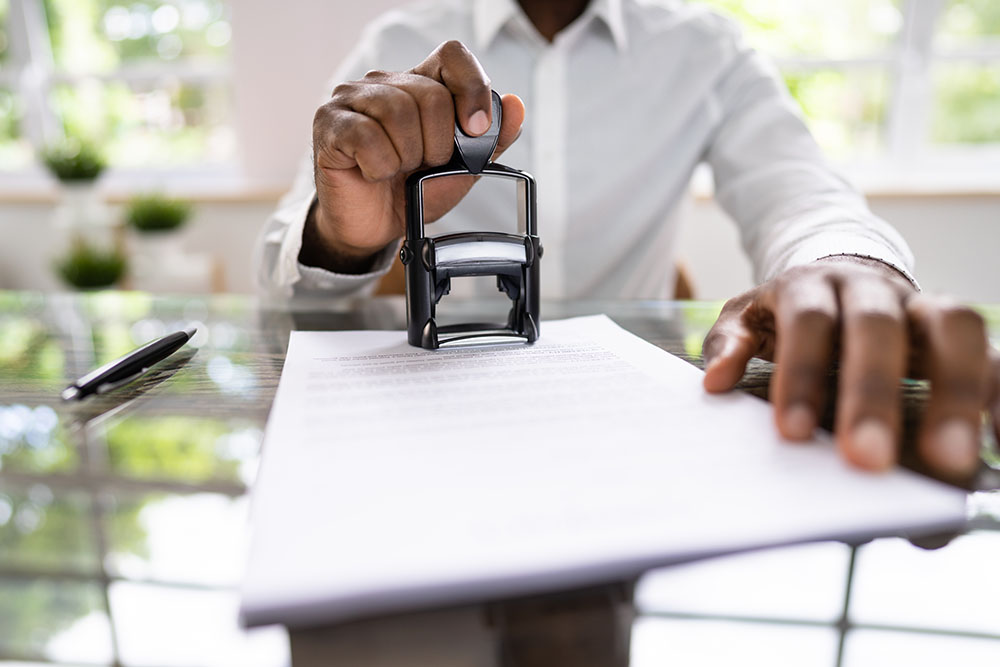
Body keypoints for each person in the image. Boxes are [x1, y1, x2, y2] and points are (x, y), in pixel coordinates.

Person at [257, 0, 999, 481]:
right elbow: (285, 273)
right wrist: (342, 236)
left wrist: (843, 260)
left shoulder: (705, 47)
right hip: (428, 439)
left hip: (636, 446)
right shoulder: (398, 38)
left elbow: (802, 189)